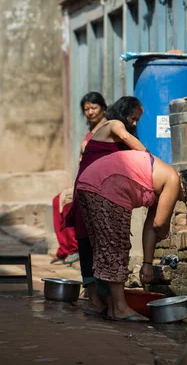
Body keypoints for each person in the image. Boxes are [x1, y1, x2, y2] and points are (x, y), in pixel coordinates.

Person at [77, 152, 187, 322]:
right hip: (106, 184)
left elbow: (150, 225)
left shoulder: (163, 180)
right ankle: (119, 309)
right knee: (116, 246)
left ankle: (107, 305)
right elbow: (158, 225)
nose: (183, 201)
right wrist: (164, 232)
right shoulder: (173, 180)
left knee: (105, 247)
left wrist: (147, 264)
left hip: (89, 182)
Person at [66, 96, 146, 317]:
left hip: (97, 190)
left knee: (100, 243)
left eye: (138, 120)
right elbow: (126, 137)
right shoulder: (114, 125)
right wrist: (150, 158)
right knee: (87, 242)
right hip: (90, 190)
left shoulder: (114, 129)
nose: (135, 123)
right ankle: (95, 301)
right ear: (123, 113)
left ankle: (104, 301)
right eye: (133, 118)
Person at [50, 92, 108, 265]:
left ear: (103, 107)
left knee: (68, 203)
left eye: (94, 108)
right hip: (84, 178)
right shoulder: (91, 130)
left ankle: (74, 249)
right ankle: (64, 249)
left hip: (98, 181)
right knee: (56, 200)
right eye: (87, 109)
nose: (90, 112)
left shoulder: (106, 129)